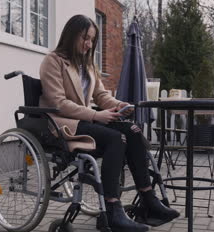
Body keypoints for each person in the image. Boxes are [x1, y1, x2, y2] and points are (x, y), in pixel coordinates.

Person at [39, 15, 179, 232]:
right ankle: (113, 210)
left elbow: (101, 96)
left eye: (92, 40)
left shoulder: (87, 66)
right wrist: (96, 116)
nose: (88, 44)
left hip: (85, 118)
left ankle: (148, 200)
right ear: (71, 35)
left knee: (132, 130)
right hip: (64, 123)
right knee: (116, 138)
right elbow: (59, 103)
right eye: (85, 38)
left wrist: (120, 104)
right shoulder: (53, 61)